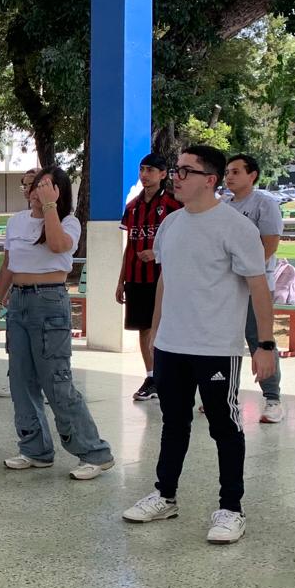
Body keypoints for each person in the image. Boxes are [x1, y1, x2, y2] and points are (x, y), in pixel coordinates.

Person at [123, 146, 279, 543]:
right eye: (176, 169)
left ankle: (231, 508)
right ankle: (165, 495)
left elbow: (258, 286)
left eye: (185, 171)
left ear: (209, 180)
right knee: (173, 423)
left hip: (216, 347)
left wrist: (265, 344)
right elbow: (165, 279)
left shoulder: (235, 227)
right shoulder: (171, 223)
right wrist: (156, 330)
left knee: (225, 425)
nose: (176, 177)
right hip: (172, 345)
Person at [0, 166, 115, 480]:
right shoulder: (17, 221)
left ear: (59, 191)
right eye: (33, 185)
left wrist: (49, 208)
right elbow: (8, 264)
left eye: (45, 185)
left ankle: (94, 452)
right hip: (19, 301)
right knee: (21, 379)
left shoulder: (68, 222)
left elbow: (58, 245)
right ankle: (35, 449)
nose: (36, 190)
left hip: (49, 300)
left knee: (56, 380)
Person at [223, 154, 285, 422]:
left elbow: (269, 245)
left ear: (253, 175)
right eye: (227, 172)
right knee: (227, 341)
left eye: (236, 172)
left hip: (254, 286)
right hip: (227, 287)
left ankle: (272, 399)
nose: (229, 176)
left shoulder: (264, 204)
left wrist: (248, 272)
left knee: (259, 339)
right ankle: (227, 394)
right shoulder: (223, 206)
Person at [115, 153, 181, 402]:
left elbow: (183, 241)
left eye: (150, 170)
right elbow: (129, 247)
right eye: (142, 169)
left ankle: (171, 377)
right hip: (136, 278)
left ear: (163, 174)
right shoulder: (132, 207)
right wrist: (120, 280)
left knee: (164, 326)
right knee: (144, 327)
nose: (144, 175)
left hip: (165, 278)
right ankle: (152, 377)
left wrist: (157, 253)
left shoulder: (174, 205)